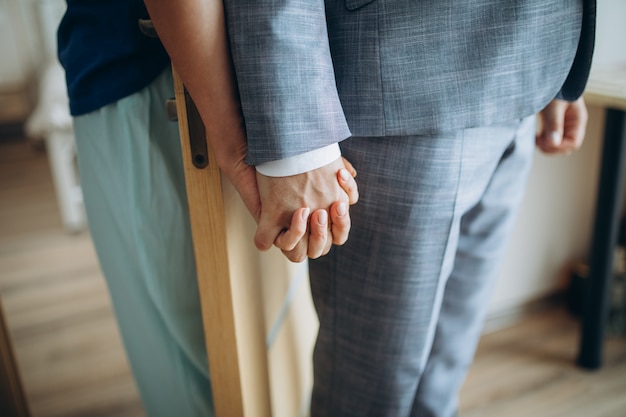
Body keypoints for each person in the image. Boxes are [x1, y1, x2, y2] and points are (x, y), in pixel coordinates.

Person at [61, 0, 596, 416]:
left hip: (528, 70)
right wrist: (297, 140)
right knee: (366, 397)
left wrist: (563, 66)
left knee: (441, 380)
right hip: (398, 88)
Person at [57, 1, 357, 416]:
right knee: (206, 375)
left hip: (205, 83)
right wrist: (241, 149)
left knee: (233, 370)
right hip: (159, 79)